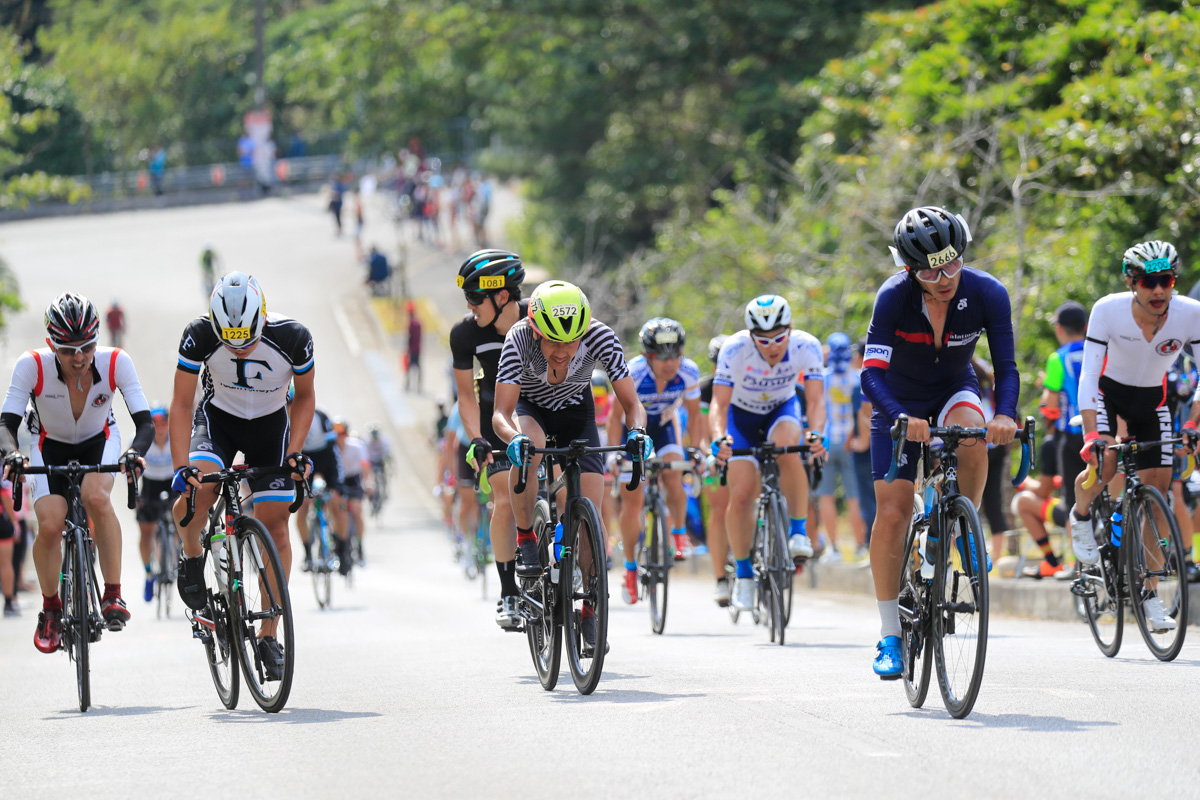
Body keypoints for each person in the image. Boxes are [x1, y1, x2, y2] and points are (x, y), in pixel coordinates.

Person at [863, 206, 1019, 679]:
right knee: (891, 512)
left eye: (953, 263)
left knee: (973, 427)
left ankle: (962, 532)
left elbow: (1006, 367)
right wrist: (899, 416)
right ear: (909, 268)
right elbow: (871, 375)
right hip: (899, 400)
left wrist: (1006, 415)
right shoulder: (893, 297)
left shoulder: (987, 292)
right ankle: (889, 634)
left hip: (955, 386)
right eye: (931, 270)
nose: (945, 276)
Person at [169, 273, 315, 680]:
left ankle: (269, 634)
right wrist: (183, 465)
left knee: (278, 528)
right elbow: (182, 403)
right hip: (218, 423)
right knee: (203, 489)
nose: (240, 346)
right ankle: (192, 554)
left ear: (262, 318)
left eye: (247, 338)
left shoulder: (293, 337)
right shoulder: (198, 334)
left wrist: (294, 453)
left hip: (270, 428)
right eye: (230, 340)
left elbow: (304, 397)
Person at [493, 280, 649, 652]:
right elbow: (501, 412)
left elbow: (631, 404)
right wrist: (513, 439)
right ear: (535, 331)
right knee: (532, 445)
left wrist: (638, 432)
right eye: (552, 342)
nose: (562, 352)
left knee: (589, 515)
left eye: (571, 342)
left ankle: (590, 612)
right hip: (532, 411)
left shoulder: (601, 337)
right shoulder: (518, 338)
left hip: (577, 414)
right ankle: (527, 536)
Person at [0, 292, 154, 652]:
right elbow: (6, 424)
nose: (80, 357)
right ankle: (51, 607)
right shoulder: (31, 365)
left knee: (96, 497)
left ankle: (113, 594)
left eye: (87, 346)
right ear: (51, 344)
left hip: (99, 438)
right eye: (68, 350)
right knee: (51, 523)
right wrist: (12, 455)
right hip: (47, 443)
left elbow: (144, 422)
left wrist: (135, 453)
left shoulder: (116, 362)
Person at [1076, 241, 1200, 633]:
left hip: (1152, 403)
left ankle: (1149, 596)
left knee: (1159, 493)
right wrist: (1093, 432)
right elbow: (1089, 376)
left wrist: (1194, 423)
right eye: (1150, 282)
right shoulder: (1107, 311)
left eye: (1166, 281)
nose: (1159, 290)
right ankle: (1081, 517)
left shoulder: (1190, 315)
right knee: (1106, 462)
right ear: (1132, 283)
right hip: (1107, 396)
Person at [710, 295, 827, 612]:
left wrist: (816, 435)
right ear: (751, 336)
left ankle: (799, 532)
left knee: (788, 448)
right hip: (740, 416)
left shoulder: (806, 346)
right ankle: (745, 576)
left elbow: (815, 401)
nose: (772, 346)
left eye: (778, 338)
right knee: (744, 492)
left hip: (781, 409)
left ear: (790, 329)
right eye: (763, 340)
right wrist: (719, 438)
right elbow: (719, 405)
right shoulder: (734, 350)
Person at [449, 249, 527, 630]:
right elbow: (465, 394)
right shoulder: (465, 333)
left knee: (565, 492)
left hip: (541, 412)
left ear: (502, 295)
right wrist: (476, 438)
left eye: (475, 298)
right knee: (505, 498)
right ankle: (509, 590)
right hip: (493, 419)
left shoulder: (538, 318)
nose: (469, 306)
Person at [608, 318, 702, 606]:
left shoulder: (688, 372)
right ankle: (631, 569)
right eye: (662, 356)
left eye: (675, 354)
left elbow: (695, 416)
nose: (670, 362)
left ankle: (677, 532)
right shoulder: (632, 372)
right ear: (648, 356)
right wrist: (615, 454)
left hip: (663, 429)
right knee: (632, 500)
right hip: (631, 431)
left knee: (674, 472)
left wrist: (696, 450)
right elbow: (614, 417)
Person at [815, 332, 866, 561]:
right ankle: (859, 546)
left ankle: (833, 548)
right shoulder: (857, 378)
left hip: (826, 442)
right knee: (854, 497)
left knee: (826, 496)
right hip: (850, 441)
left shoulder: (823, 378)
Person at [699, 334, 734, 605]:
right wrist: (707, 453)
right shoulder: (706, 389)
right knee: (720, 509)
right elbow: (700, 433)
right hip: (716, 451)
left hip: (744, 449)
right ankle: (721, 577)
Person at [296, 403, 348, 572]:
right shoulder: (283, 416)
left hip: (325, 457)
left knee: (337, 502)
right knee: (302, 508)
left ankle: (342, 550)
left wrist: (337, 484)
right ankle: (308, 554)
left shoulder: (320, 416)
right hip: (303, 458)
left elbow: (334, 451)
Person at [136, 406, 177, 602]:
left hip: (171, 483)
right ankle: (148, 574)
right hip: (150, 485)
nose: (160, 428)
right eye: (156, 424)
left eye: (163, 424)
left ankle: (175, 558)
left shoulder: (175, 437)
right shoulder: (144, 441)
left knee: (180, 524)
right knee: (146, 532)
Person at [849, 342, 876, 547]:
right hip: (881, 442)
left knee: (869, 497)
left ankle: (871, 541)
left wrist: (862, 443)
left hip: (868, 447)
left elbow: (863, 415)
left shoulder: (862, 379)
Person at [334, 419, 369, 569]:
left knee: (356, 510)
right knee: (336, 510)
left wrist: (369, 482)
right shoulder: (331, 447)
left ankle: (360, 544)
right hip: (339, 480)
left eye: (342, 434)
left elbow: (365, 466)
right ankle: (337, 540)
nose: (339, 437)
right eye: (336, 434)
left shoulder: (356, 446)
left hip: (353, 479)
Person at [406, 300, 422, 392]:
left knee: (410, 367)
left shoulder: (411, 323)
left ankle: (408, 383)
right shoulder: (418, 323)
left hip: (413, 348)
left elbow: (410, 337)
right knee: (418, 367)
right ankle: (419, 384)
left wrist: (408, 348)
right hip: (418, 348)